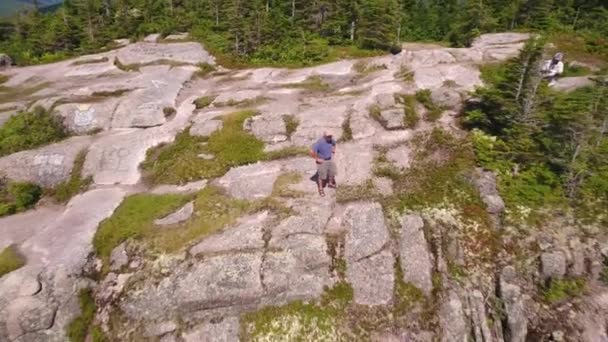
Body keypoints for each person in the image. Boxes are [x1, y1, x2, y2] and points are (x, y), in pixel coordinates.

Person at [310, 131, 337, 197]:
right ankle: (321, 189)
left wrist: (333, 151)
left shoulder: (331, 140)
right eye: (328, 136)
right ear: (324, 136)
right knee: (321, 176)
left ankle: (330, 183)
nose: (330, 137)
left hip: (329, 159)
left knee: (332, 172)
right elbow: (311, 152)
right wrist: (317, 159)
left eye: (330, 136)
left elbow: (334, 144)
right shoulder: (319, 143)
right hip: (322, 161)